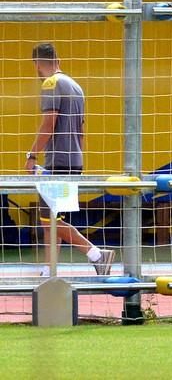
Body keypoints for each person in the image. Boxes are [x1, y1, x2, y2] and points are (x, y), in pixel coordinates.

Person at [25, 43, 114, 277]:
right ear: (58, 58)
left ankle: (96, 254)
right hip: (73, 159)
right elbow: (82, 130)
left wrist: (32, 154)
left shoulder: (52, 83)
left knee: (49, 221)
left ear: (36, 63)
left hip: (58, 161)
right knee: (53, 218)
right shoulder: (76, 86)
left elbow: (49, 123)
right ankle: (49, 270)